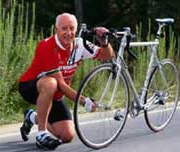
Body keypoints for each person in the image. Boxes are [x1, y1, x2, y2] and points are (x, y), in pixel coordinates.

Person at [18, 12, 115, 150]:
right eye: (64, 28)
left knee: (66, 136)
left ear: (76, 30)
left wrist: (104, 43)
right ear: (56, 30)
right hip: (31, 86)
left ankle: (32, 117)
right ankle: (41, 134)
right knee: (51, 83)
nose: (68, 33)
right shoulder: (46, 46)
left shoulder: (79, 45)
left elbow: (107, 56)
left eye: (71, 29)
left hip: (56, 93)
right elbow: (61, 85)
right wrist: (84, 101)